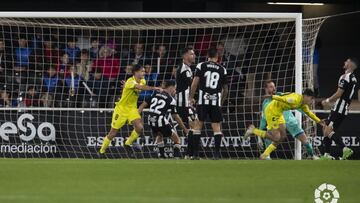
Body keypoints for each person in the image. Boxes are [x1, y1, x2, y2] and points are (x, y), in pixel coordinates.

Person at [99, 64, 163, 157]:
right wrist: (155, 88)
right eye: (142, 71)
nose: (144, 73)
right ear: (136, 72)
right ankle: (101, 151)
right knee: (113, 132)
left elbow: (139, 87)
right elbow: (140, 87)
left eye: (144, 71)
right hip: (121, 109)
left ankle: (127, 143)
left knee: (140, 128)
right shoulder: (130, 81)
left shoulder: (143, 80)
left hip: (132, 109)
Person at [244, 89, 325, 159]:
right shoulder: (294, 99)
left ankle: (265, 154)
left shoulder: (303, 104)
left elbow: (310, 114)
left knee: (283, 136)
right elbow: (282, 98)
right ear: (306, 96)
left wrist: (319, 121)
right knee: (276, 137)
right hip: (272, 110)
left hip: (279, 112)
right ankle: (253, 130)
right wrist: (272, 96)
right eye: (311, 99)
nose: (312, 101)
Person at [258, 80, 318, 160]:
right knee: (271, 136)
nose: (274, 88)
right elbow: (263, 119)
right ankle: (267, 156)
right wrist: (259, 137)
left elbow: (297, 104)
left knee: (304, 139)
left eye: (274, 86)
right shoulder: (265, 103)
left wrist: (306, 113)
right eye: (271, 87)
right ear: (265, 89)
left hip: (290, 121)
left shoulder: (281, 95)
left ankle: (312, 155)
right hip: (277, 121)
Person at [189, 47, 229, 160]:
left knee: (198, 126)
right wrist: (220, 102)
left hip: (203, 101)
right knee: (216, 127)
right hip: (215, 102)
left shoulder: (201, 65)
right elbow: (225, 90)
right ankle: (216, 155)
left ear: (208, 56)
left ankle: (196, 154)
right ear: (218, 57)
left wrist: (190, 97)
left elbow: (195, 83)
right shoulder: (222, 69)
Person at [138, 80, 189, 158]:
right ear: (171, 87)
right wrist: (185, 129)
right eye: (174, 88)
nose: (175, 91)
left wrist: (137, 116)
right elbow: (176, 117)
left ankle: (162, 156)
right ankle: (176, 157)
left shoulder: (155, 93)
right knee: (177, 140)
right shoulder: (171, 99)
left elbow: (142, 105)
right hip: (160, 120)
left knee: (159, 134)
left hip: (150, 119)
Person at [321, 57, 358, 160]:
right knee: (326, 130)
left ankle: (345, 149)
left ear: (350, 64)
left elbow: (339, 93)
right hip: (343, 108)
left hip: (339, 108)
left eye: (346, 61)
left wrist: (327, 100)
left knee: (327, 130)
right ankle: (327, 155)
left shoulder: (345, 76)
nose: (344, 62)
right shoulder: (354, 78)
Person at [176, 47, 198, 158]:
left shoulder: (187, 69)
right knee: (192, 127)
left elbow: (186, 86)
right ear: (185, 56)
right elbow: (190, 85)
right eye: (191, 54)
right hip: (182, 103)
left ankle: (190, 154)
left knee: (192, 128)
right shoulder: (183, 69)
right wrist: (189, 98)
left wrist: (191, 98)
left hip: (185, 102)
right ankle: (190, 154)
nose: (194, 56)